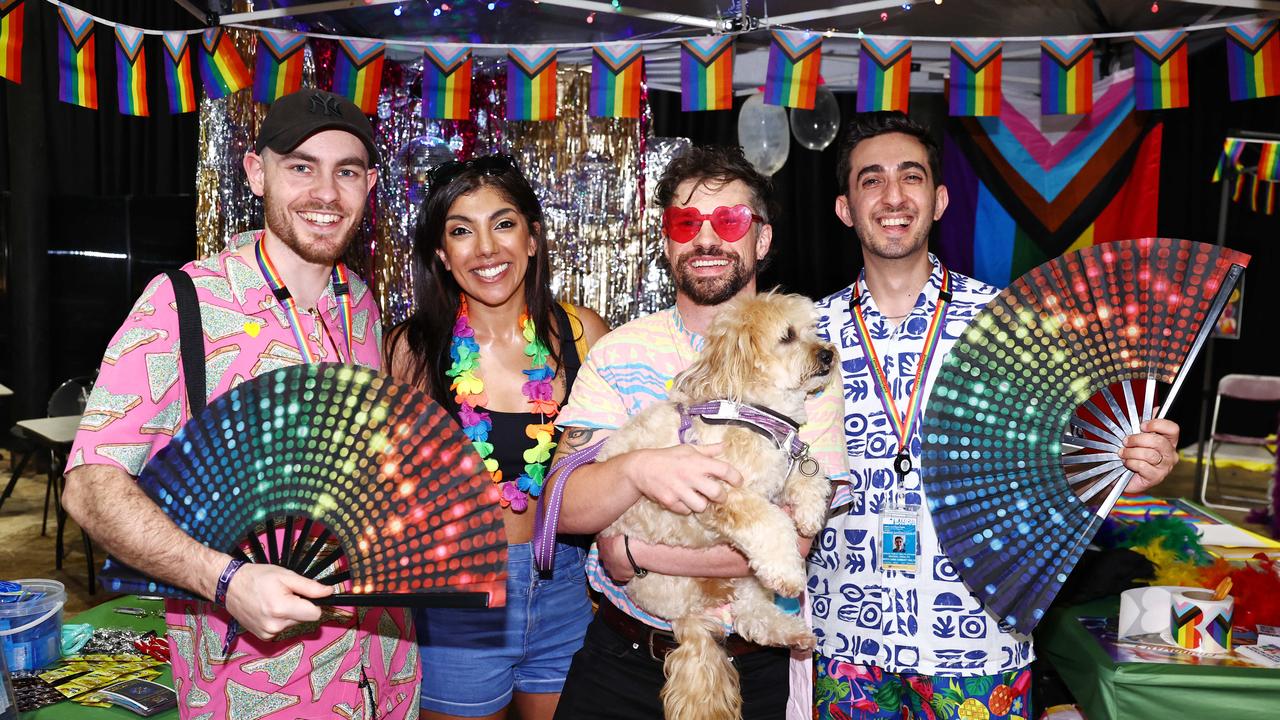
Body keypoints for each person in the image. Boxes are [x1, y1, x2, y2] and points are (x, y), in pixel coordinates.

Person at [62, 89, 422, 719]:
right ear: (258, 173)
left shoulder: (361, 304)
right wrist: (223, 580)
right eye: (301, 167)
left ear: (369, 185)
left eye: (348, 172)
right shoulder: (184, 305)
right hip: (258, 686)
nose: (326, 193)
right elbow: (89, 486)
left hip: (387, 670)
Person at [809, 111, 1181, 719]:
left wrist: (1125, 468)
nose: (894, 196)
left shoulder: (1008, 323)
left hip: (977, 639)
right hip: (845, 636)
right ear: (846, 208)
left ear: (940, 198)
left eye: (912, 177)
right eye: (871, 180)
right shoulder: (807, 336)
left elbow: (1059, 465)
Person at [546, 145, 849, 720]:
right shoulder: (619, 351)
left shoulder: (807, 373)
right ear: (667, 241)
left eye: (729, 220)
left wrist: (634, 551)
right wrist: (639, 469)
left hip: (751, 660)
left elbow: (792, 545)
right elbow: (563, 507)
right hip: (622, 655)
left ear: (761, 239)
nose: (705, 239)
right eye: (686, 223)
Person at [384, 154, 608, 720]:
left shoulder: (583, 334)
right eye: (461, 230)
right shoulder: (409, 351)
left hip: (568, 586)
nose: (486, 248)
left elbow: (616, 469)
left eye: (503, 224)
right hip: (461, 598)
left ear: (532, 239)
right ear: (442, 253)